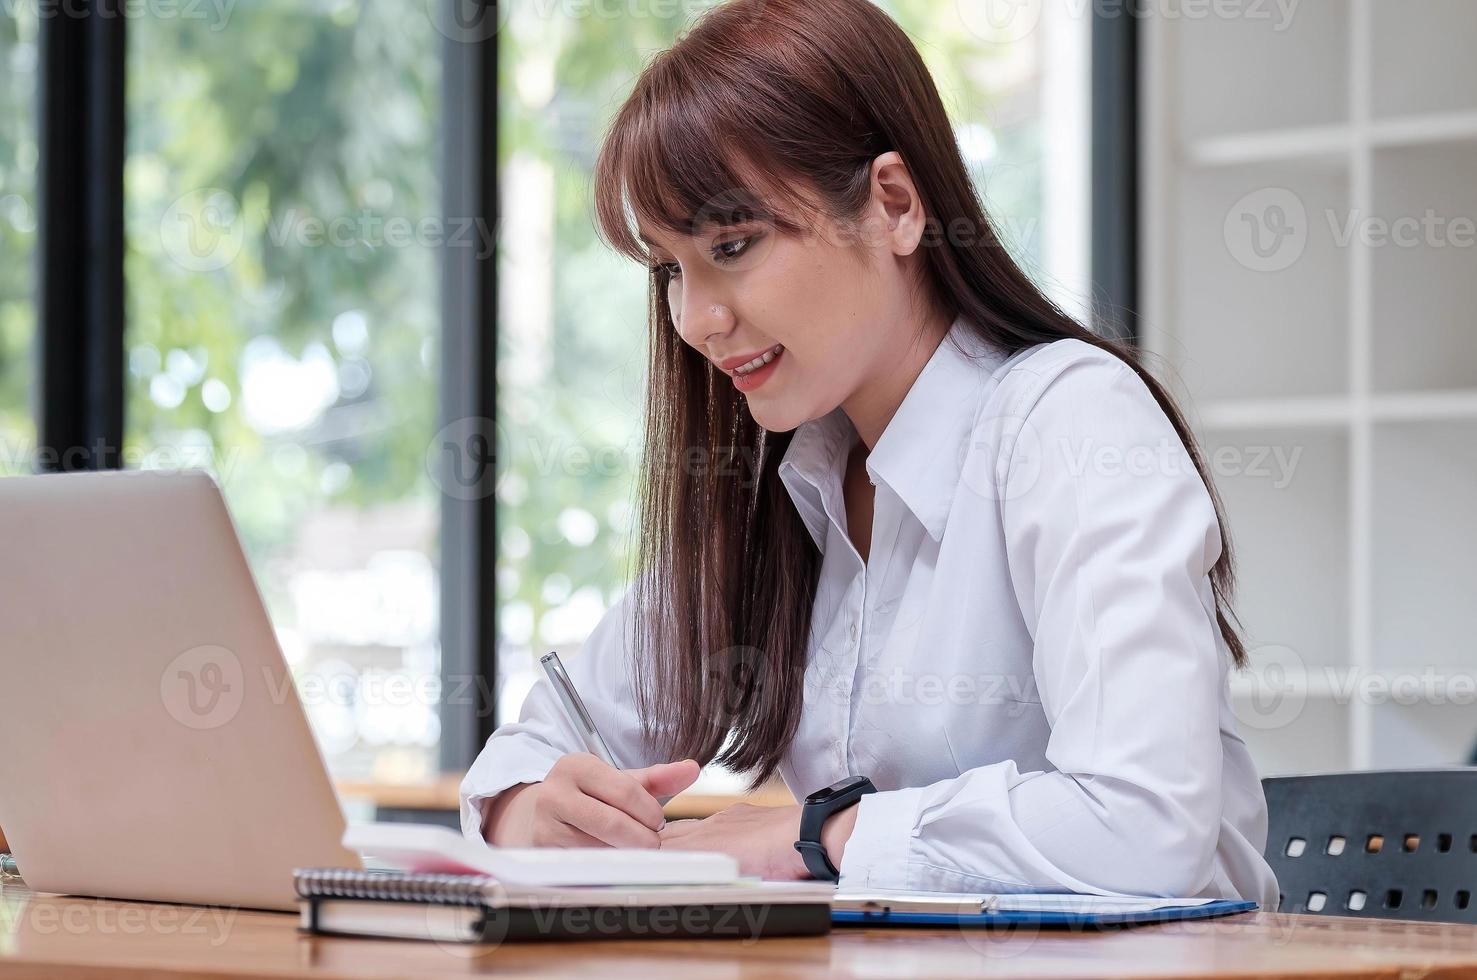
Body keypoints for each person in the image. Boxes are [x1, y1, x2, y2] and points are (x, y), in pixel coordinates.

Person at [459, 0, 1279, 905]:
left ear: (893, 205)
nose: (694, 319)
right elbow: (544, 743)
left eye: (732, 244)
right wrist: (531, 812)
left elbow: (1141, 827)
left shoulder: (1069, 423)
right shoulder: (789, 477)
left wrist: (816, 833)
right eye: (668, 269)